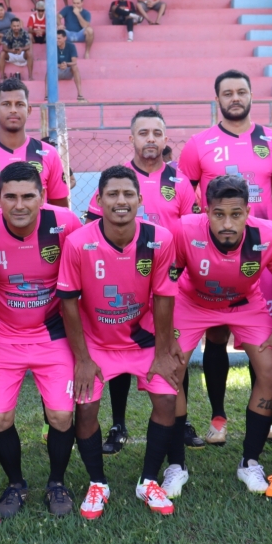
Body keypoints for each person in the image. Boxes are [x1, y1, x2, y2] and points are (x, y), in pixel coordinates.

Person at [57, 165, 184, 518]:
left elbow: (163, 296)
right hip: (96, 343)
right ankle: (98, 482)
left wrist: (162, 351)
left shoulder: (160, 238)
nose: (121, 200)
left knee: (166, 400)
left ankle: (147, 481)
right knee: (85, 409)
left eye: (128, 194)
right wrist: (82, 358)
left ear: (140, 200)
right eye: (112, 194)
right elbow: (68, 301)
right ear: (98, 200)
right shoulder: (78, 242)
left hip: (141, 341)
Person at [177, 69, 272, 447]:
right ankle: (218, 418)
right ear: (218, 99)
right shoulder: (199, 143)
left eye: (242, 91)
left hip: (260, 253)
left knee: (264, 341)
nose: (235, 98)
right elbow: (182, 195)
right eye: (228, 93)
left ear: (252, 95)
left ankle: (264, 417)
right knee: (216, 336)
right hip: (213, 250)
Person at [86, 109, 195, 454]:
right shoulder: (116, 180)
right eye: (143, 133)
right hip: (121, 285)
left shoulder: (179, 183)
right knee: (119, 354)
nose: (150, 139)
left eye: (156, 133)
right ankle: (118, 423)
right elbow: (93, 229)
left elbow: (191, 233)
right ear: (131, 139)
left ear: (165, 140)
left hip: (166, 285)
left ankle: (182, 418)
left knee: (174, 353)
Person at [0, 162, 85, 518]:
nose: (19, 205)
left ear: (43, 197)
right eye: (10, 196)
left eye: (28, 196)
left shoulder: (67, 224)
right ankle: (16, 484)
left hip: (51, 334)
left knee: (60, 415)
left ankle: (57, 483)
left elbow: (81, 284)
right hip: (2, 337)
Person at [0, 78, 70, 213]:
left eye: (19, 104)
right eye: (6, 104)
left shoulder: (48, 153)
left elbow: (61, 213)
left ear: (28, 110)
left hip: (39, 234)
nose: (13, 110)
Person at [55, 30, 86, 102]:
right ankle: (47, 95)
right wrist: (60, 65)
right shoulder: (53, 46)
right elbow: (50, 63)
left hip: (68, 70)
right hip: (57, 70)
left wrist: (66, 64)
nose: (57, 40)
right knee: (49, 72)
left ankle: (80, 94)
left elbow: (74, 62)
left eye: (59, 38)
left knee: (75, 67)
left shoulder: (71, 46)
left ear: (65, 38)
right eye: (56, 38)